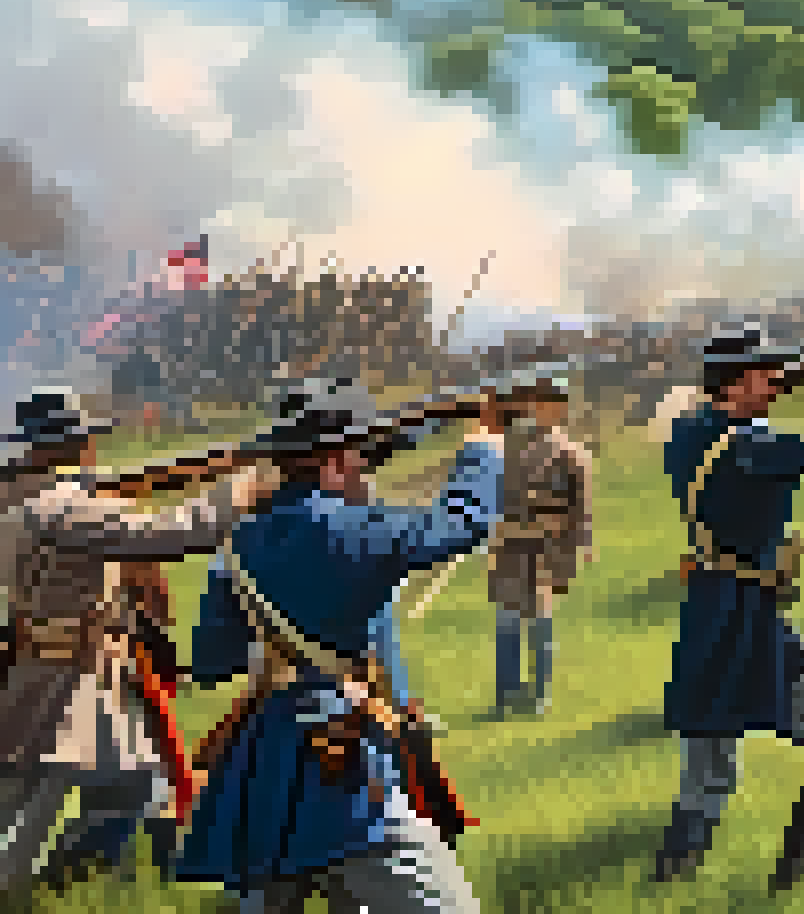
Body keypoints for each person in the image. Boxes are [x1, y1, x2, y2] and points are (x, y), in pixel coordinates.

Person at [175, 376, 499, 913]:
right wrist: (484, 446)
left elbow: (213, 662)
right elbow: (462, 522)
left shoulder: (235, 545)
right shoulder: (348, 528)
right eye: (365, 459)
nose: (370, 473)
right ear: (337, 460)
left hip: (264, 767)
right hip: (342, 763)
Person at [0, 390, 278, 893]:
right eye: (84, 440)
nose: (92, 449)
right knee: (26, 822)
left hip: (68, 674)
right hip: (59, 681)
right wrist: (240, 486)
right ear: (72, 446)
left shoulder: (24, 497)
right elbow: (176, 533)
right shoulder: (60, 505)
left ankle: (64, 885)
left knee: (135, 783)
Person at [654, 323, 804, 890]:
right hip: (743, 615)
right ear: (738, 382)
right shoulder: (748, 443)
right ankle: (791, 884)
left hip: (711, 608)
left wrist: (796, 382)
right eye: (765, 372)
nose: (776, 379)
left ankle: (668, 883)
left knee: (705, 773)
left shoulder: (694, 431)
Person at [483, 368, 595, 718]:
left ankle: (538, 695)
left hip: (547, 548)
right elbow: (488, 495)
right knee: (507, 621)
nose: (544, 408)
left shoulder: (570, 452)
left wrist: (573, 553)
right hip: (510, 546)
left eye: (552, 402)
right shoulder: (505, 446)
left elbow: (581, 510)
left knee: (541, 623)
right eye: (539, 401)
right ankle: (506, 694)